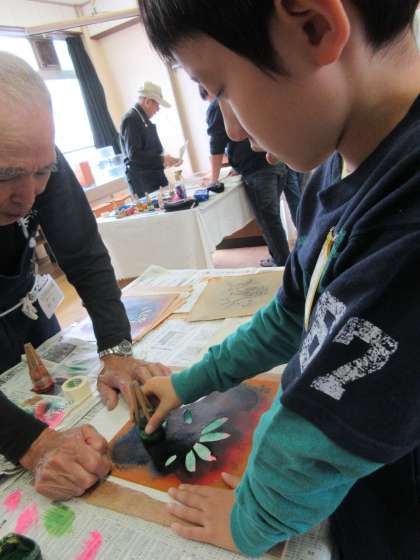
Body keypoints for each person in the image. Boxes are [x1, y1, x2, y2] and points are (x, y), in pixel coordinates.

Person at [138, 1, 420, 558]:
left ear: (314, 28)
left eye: (218, 88)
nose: (230, 129)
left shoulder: (407, 218)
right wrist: (188, 383)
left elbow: (321, 430)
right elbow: (292, 315)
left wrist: (252, 520)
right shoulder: (336, 169)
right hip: (353, 489)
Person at [0, 52, 168, 500]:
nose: (28, 196)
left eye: (42, 172)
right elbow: (30, 444)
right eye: (6, 177)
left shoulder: (36, 157)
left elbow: (85, 256)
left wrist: (116, 349)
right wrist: (32, 445)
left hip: (24, 312)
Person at [200, 85, 302, 266]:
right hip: (277, 161)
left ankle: (283, 264)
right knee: (288, 210)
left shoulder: (217, 106)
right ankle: (298, 256)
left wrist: (214, 180)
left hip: (259, 169)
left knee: (269, 220)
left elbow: (216, 145)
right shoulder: (245, 92)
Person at [120, 81, 182, 197]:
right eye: (157, 105)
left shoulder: (144, 119)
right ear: (147, 101)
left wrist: (168, 160)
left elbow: (152, 152)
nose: (158, 109)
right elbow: (134, 155)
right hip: (143, 182)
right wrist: (161, 159)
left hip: (155, 177)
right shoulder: (131, 119)